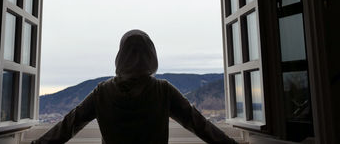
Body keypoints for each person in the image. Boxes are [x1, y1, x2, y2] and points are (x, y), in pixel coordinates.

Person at [32, 29, 238, 144]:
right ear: (152, 56)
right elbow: (199, 125)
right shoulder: (163, 90)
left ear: (120, 56)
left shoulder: (102, 92)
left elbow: (68, 126)